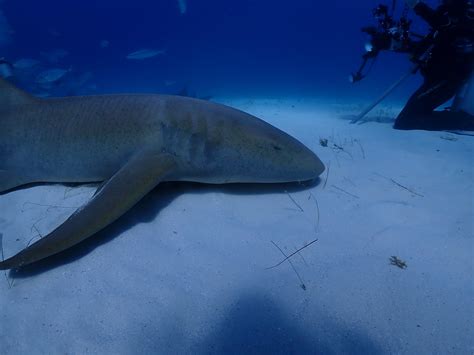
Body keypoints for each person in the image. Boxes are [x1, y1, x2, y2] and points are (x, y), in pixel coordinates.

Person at [394, 0, 474, 131]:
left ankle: (468, 122)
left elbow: (445, 25)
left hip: (448, 80)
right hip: (436, 78)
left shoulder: (466, 18)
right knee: (407, 119)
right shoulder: (447, 18)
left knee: (406, 121)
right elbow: (426, 46)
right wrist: (393, 44)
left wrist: (416, 5)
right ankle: (458, 119)